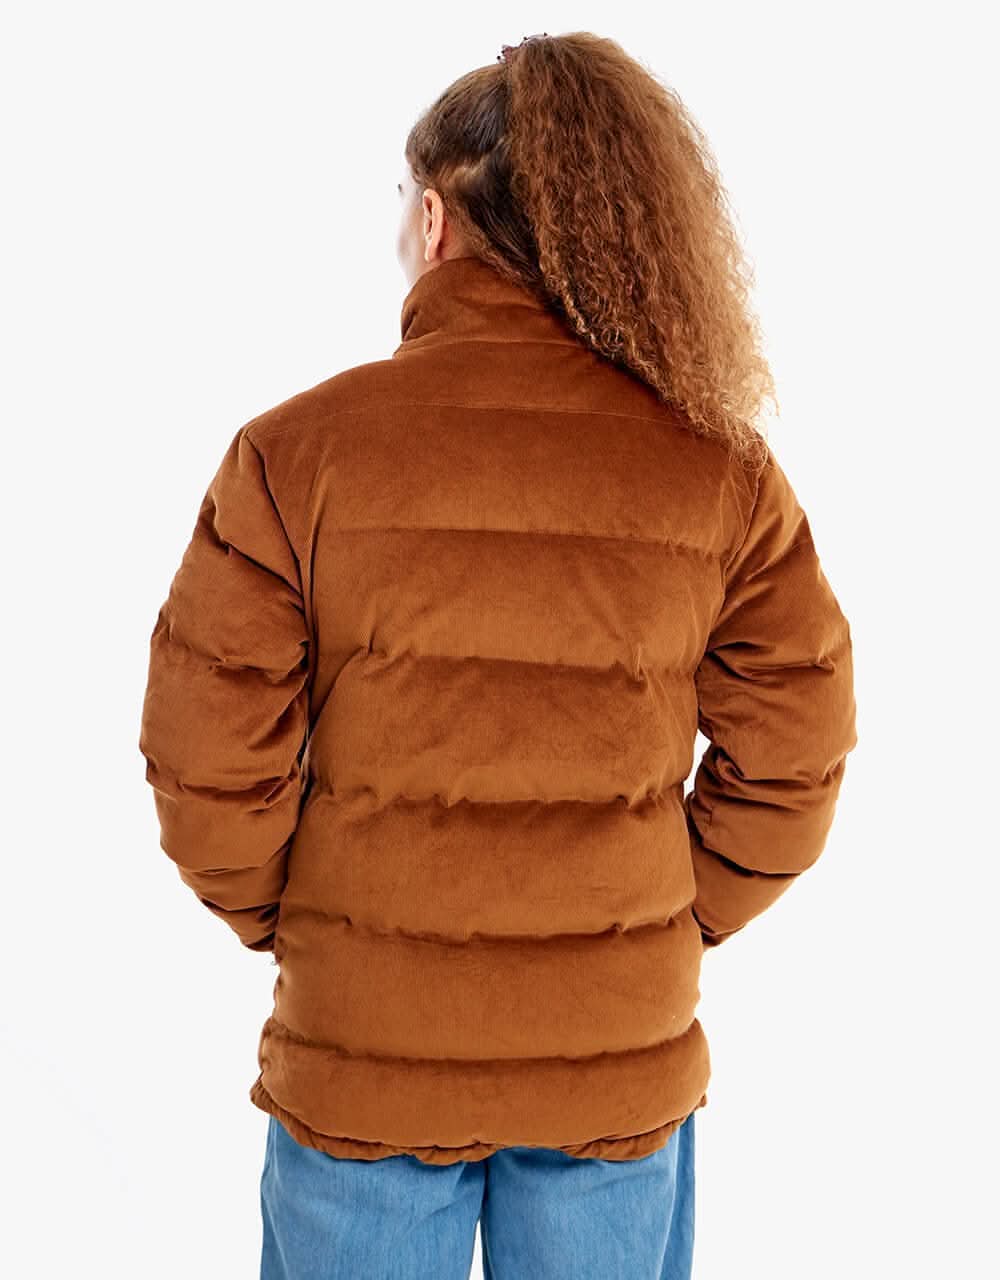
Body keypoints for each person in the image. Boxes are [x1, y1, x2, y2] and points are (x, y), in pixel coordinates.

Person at [138, 30, 858, 1280]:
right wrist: (662, 917)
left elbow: (205, 760)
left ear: (434, 218)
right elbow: (796, 749)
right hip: (612, 1059)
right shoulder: (717, 470)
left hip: (363, 1056)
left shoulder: (293, 454)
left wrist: (308, 920)